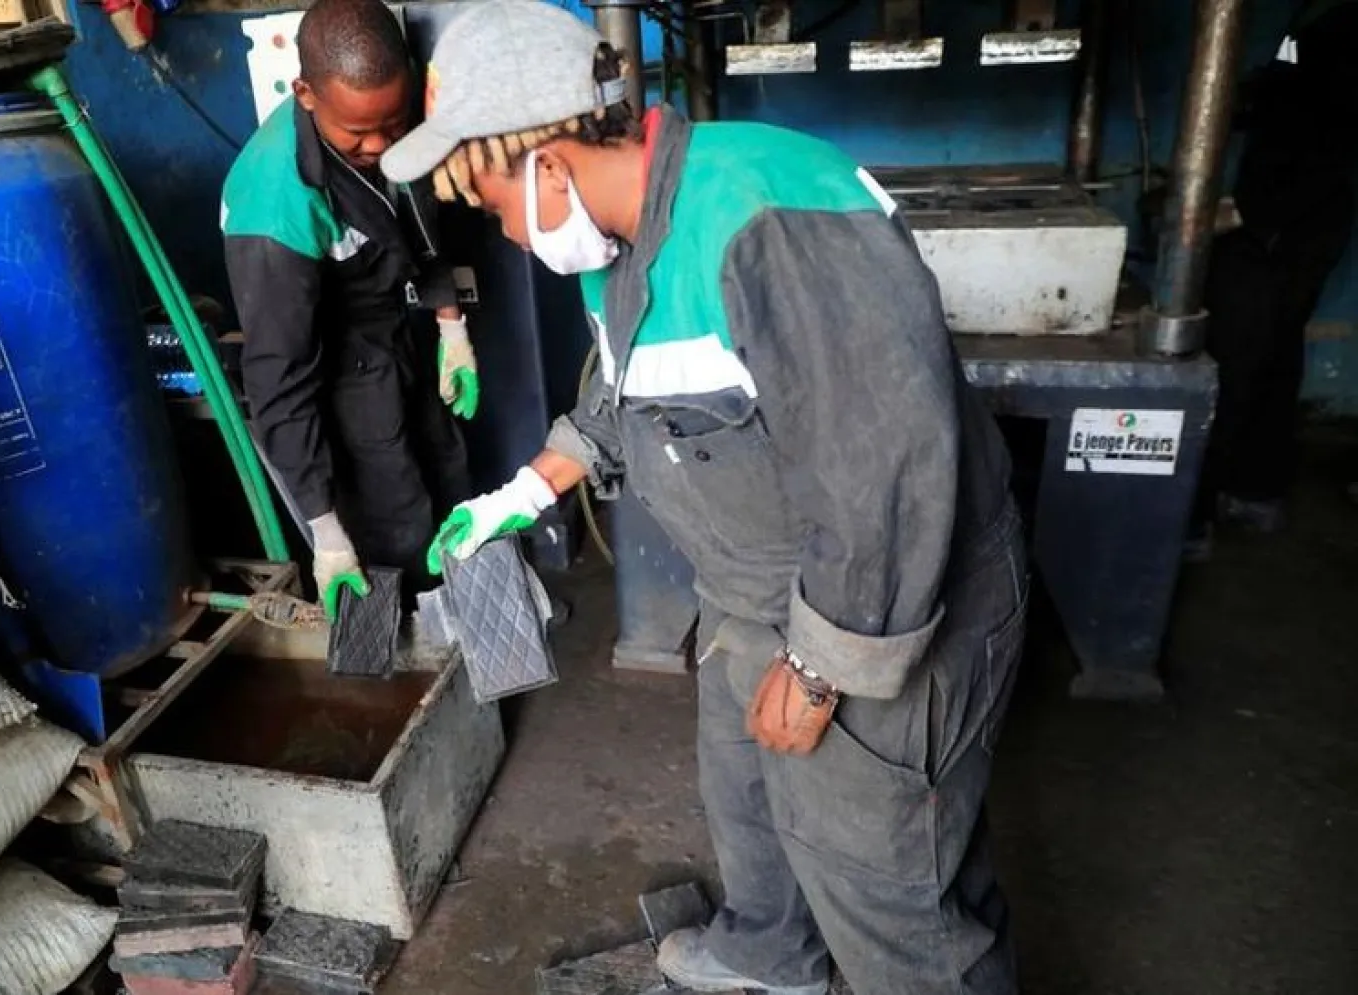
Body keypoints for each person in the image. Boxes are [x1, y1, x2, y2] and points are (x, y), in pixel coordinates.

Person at [381, 3, 1027, 993]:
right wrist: (523, 489)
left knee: (891, 883)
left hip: (882, 598)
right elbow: (622, 386)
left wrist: (820, 665)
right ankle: (773, 956)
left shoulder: (764, 218)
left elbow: (887, 472)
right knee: (748, 792)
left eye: (494, 204)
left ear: (547, 163)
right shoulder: (616, 237)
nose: (504, 231)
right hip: (755, 588)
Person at [221, 0, 475, 603]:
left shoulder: (388, 114)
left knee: (451, 472)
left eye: (395, 124)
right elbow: (278, 374)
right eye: (360, 134)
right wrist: (325, 528)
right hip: (335, 363)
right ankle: (420, 654)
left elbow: (422, 219)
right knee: (397, 519)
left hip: (397, 330)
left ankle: (475, 614)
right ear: (306, 93)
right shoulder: (276, 201)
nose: (383, 144)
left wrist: (450, 326)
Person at [1193, 0, 1358, 544]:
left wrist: (1248, 213)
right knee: (1270, 357)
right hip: (1287, 228)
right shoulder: (1314, 28)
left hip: (1282, 234)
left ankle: (1200, 513)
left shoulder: (1339, 32)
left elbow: (1330, 147)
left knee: (1239, 364)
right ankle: (1252, 494)